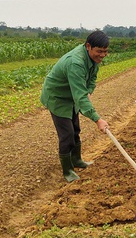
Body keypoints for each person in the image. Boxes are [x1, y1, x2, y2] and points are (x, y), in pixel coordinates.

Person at [40, 30, 110, 182]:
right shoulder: (75, 62)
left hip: (71, 96)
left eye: (105, 51)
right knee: (67, 135)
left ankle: (77, 160)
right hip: (58, 97)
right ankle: (68, 171)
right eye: (99, 51)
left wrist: (88, 91)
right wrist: (98, 120)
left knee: (76, 130)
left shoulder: (93, 60)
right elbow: (80, 96)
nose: (102, 55)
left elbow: (91, 80)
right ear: (88, 46)